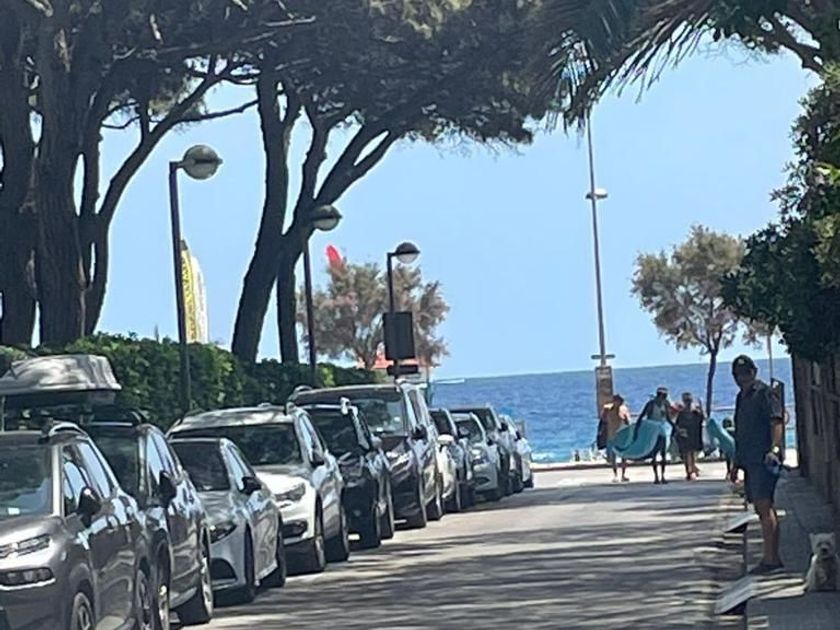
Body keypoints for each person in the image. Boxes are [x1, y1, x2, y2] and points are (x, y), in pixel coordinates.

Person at [730, 355, 785, 574]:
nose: (742, 378)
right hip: (749, 460)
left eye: (746, 373)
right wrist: (736, 464)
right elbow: (741, 432)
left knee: (765, 505)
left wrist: (774, 450)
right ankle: (769, 557)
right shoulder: (741, 397)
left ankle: (772, 559)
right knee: (760, 508)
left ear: (754, 372)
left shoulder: (765, 393)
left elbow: (776, 421)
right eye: (738, 375)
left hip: (764, 459)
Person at [637, 387, 674, 484]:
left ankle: (663, 476)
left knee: (663, 454)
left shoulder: (665, 404)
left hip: (662, 430)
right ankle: (656, 476)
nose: (665, 398)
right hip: (652, 431)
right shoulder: (650, 404)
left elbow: (668, 418)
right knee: (654, 454)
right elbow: (642, 416)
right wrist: (637, 429)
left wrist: (675, 427)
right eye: (664, 396)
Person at [600, 394, 631, 483]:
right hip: (612, 435)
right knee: (613, 456)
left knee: (623, 456)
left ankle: (623, 474)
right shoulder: (608, 409)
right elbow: (603, 419)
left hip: (622, 435)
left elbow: (628, 422)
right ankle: (615, 474)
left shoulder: (623, 409)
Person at [675, 392, 705, 481]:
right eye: (686, 401)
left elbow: (702, 419)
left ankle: (692, 469)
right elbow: (677, 424)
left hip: (694, 434)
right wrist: (680, 431)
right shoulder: (681, 413)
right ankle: (689, 471)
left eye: (689, 400)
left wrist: (701, 408)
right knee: (686, 454)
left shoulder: (695, 412)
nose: (688, 402)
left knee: (692, 453)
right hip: (685, 435)